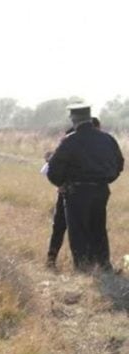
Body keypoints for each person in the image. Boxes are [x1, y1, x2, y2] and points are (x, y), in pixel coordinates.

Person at [47, 105, 123, 272]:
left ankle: (83, 267)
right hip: (101, 190)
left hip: (77, 191)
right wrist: (106, 180)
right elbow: (119, 164)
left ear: (73, 120)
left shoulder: (70, 140)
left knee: (78, 230)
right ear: (89, 118)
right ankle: (103, 264)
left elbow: (53, 169)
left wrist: (62, 184)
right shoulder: (107, 139)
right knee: (98, 227)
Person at [44, 117, 101, 269]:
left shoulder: (90, 142)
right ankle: (52, 258)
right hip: (69, 190)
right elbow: (57, 163)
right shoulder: (72, 138)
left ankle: (88, 262)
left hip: (76, 190)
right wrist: (61, 183)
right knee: (62, 226)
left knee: (72, 226)